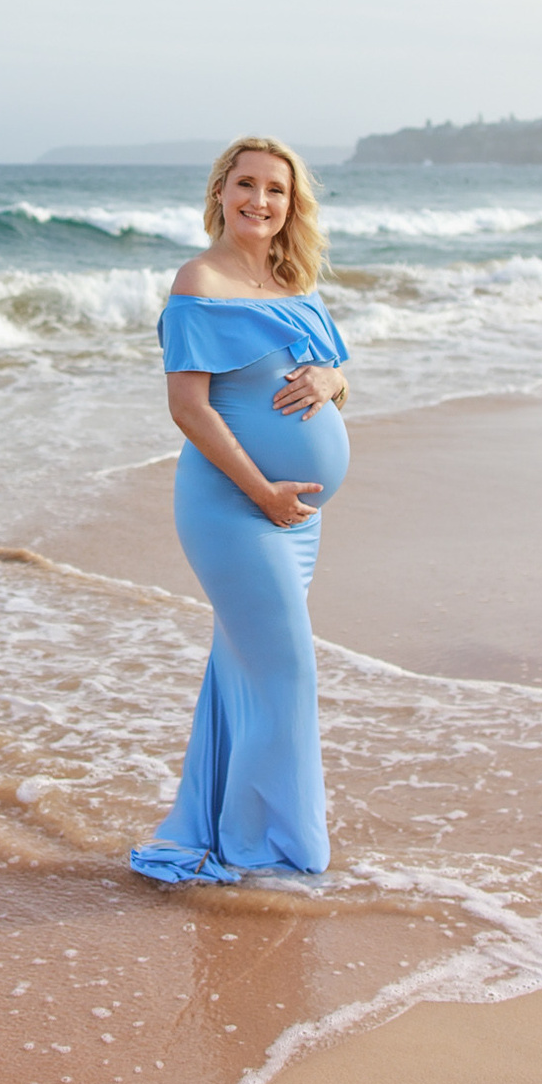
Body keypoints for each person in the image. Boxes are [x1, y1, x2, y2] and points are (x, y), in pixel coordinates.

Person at [130, 137, 351, 884]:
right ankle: (280, 851)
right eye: (247, 184)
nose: (261, 201)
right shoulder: (199, 279)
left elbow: (335, 375)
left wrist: (328, 381)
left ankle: (230, 830)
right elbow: (188, 409)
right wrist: (263, 491)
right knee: (287, 669)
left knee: (242, 669)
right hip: (233, 507)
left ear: (293, 205)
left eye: (277, 190)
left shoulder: (293, 278)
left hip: (296, 519)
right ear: (221, 191)